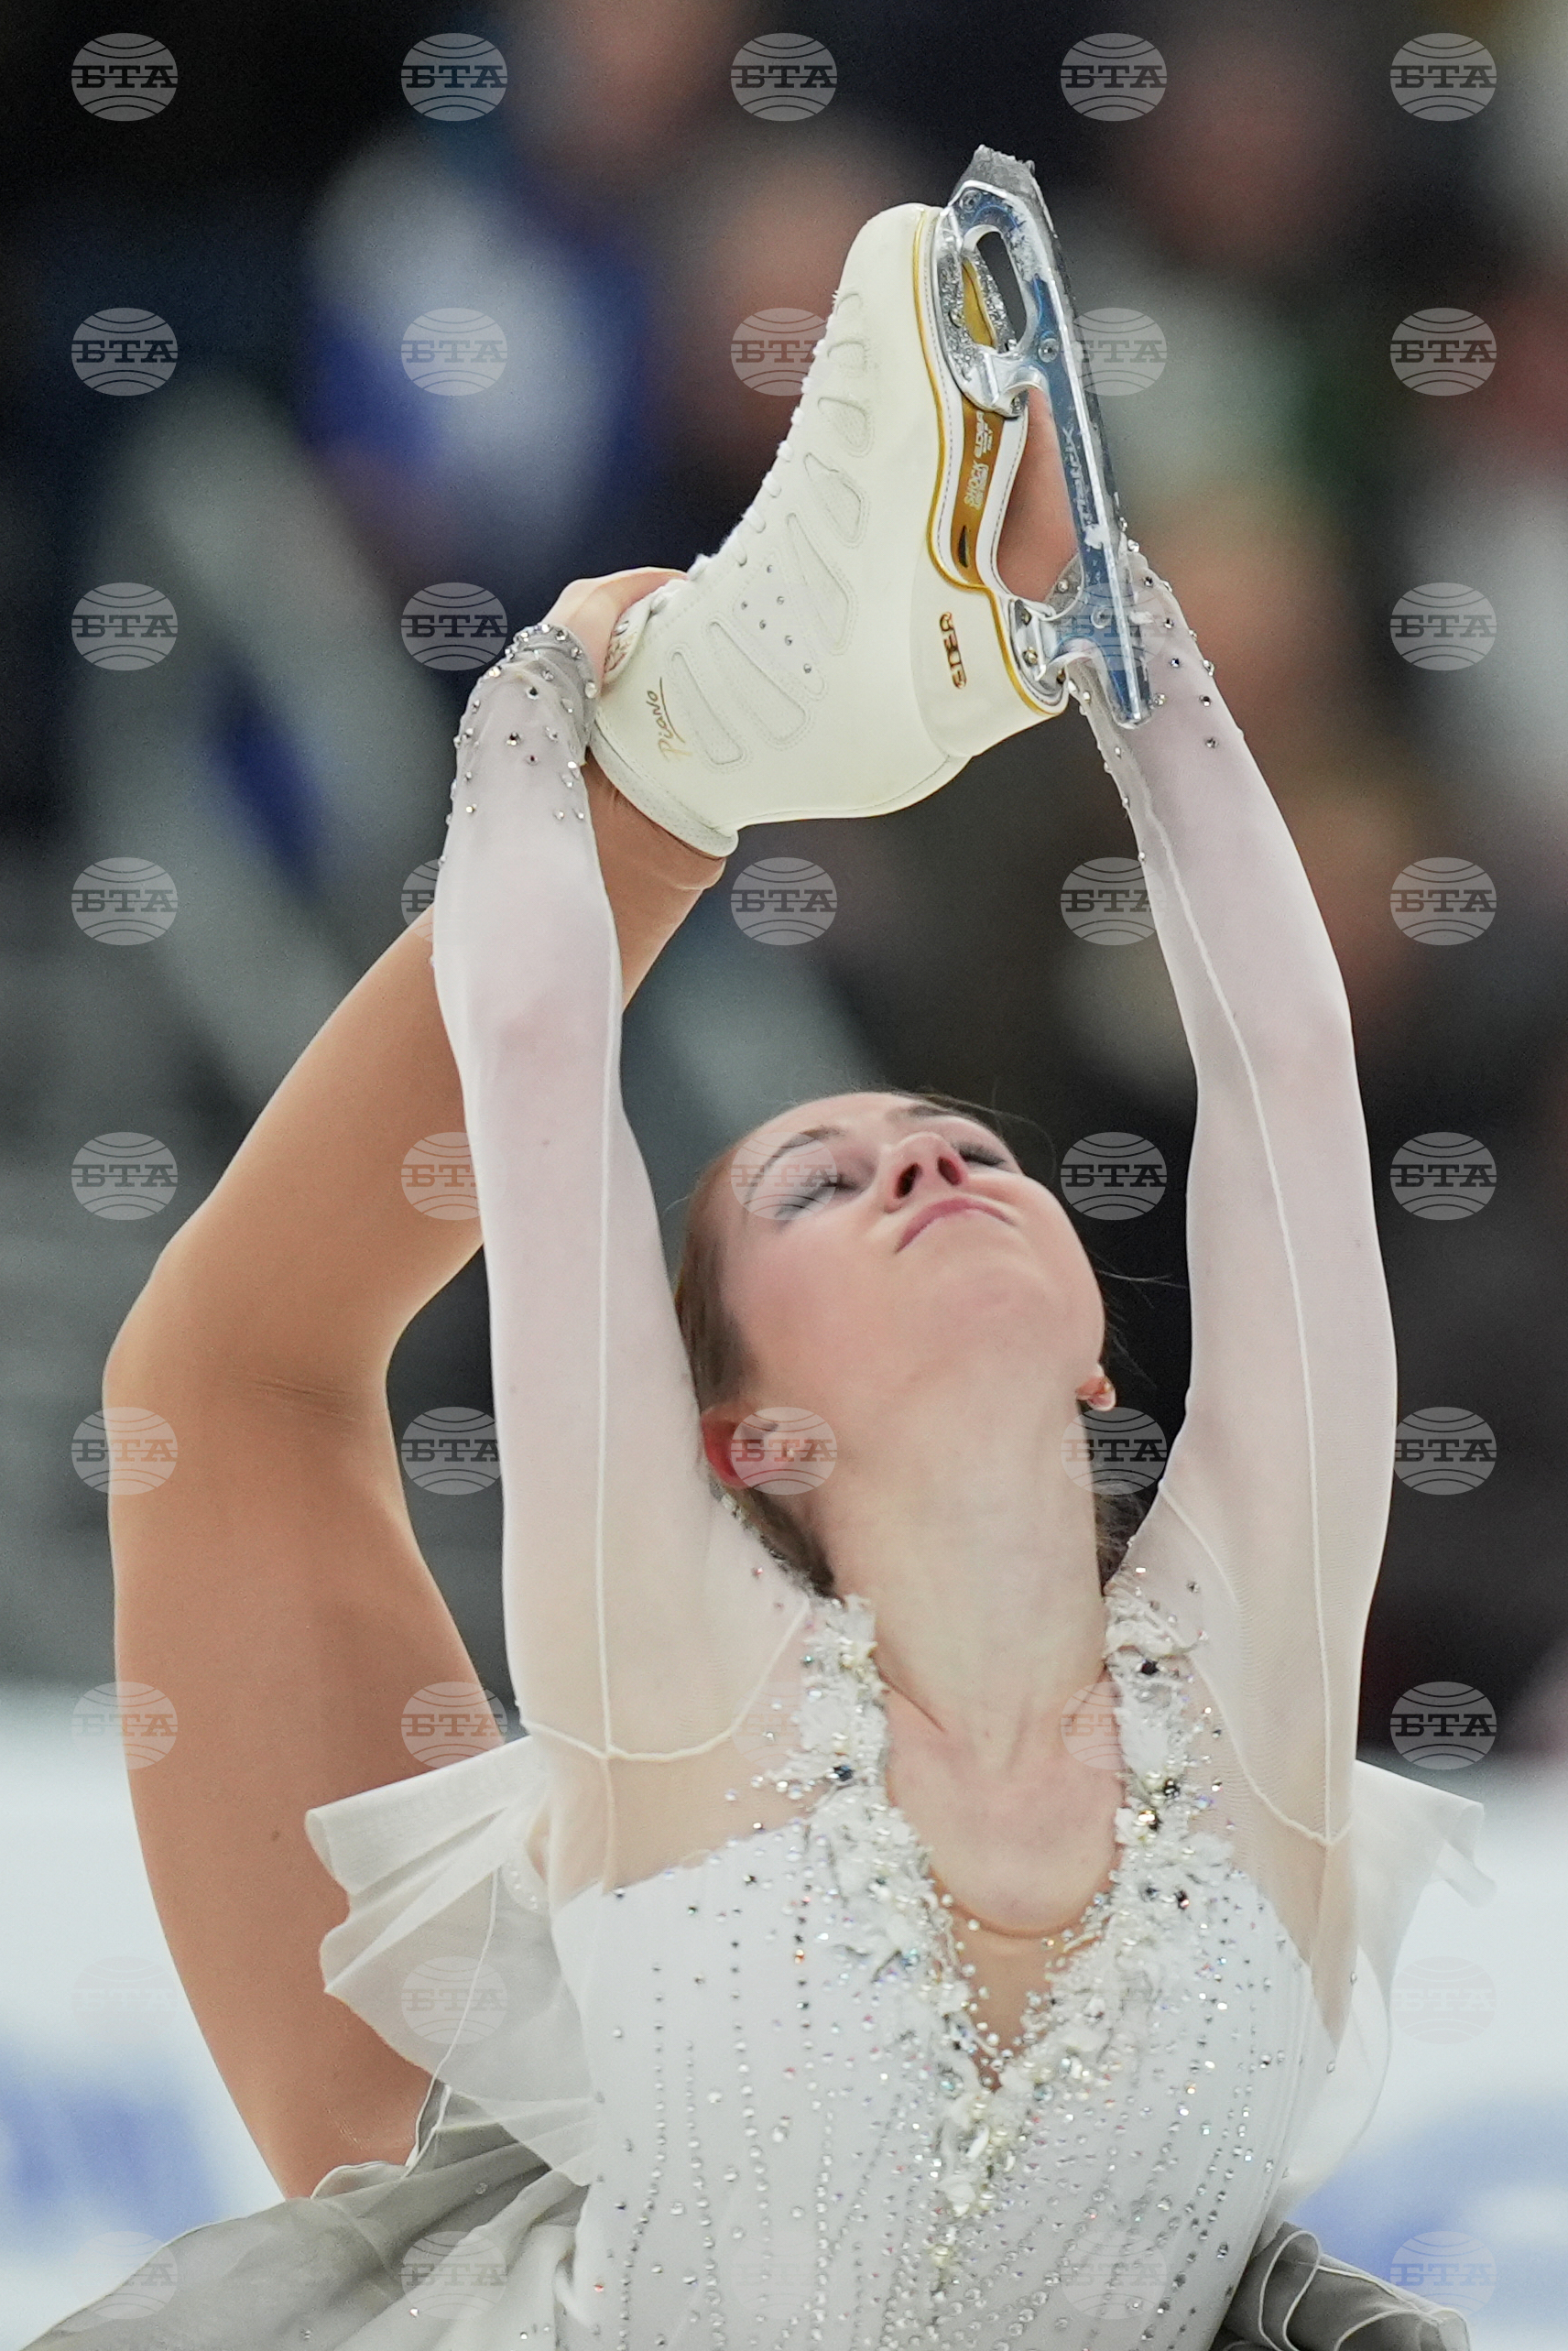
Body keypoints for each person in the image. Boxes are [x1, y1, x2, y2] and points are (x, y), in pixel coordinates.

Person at [37, 156, 1485, 2350]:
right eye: (815, 1181)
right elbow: (537, 1078)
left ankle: (717, 736)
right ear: (741, 1432)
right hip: (640, 2132)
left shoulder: (1237, 1643)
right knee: (213, 1396)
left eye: (956, 1147)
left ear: (1107, 1361)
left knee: (212, 1400)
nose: (922, 1168)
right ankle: (710, 738)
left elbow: (1283, 1070)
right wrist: (583, 722)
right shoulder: (676, 1655)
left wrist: (1124, 627)